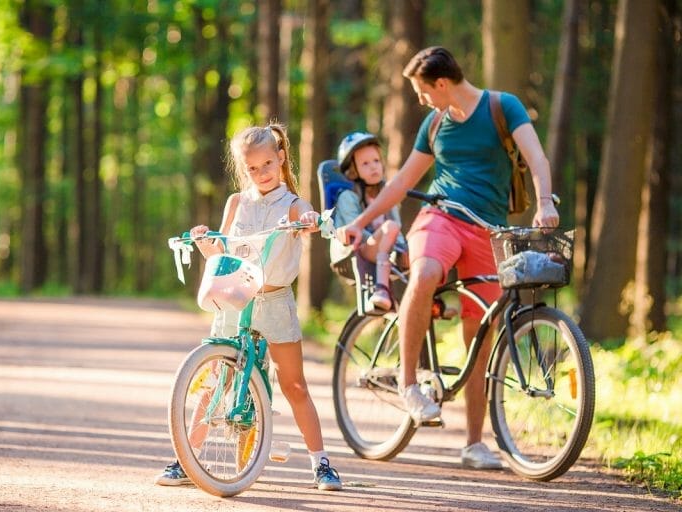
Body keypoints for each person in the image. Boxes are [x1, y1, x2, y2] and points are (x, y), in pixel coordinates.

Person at [336, 46, 560, 469]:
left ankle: (474, 443)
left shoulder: (501, 106)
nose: (421, 100)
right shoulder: (435, 124)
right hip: (440, 219)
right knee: (425, 274)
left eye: (423, 92)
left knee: (481, 333)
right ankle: (409, 387)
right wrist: (363, 220)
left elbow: (536, 157)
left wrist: (545, 202)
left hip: (489, 231)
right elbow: (403, 180)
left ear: (442, 84)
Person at [155, 123, 343, 491]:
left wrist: (310, 222)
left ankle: (321, 463)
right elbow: (222, 249)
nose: (261, 173)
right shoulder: (237, 203)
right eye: (253, 168)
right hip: (235, 295)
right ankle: (187, 459)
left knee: (294, 384)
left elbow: (310, 221)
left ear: (281, 158)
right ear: (244, 169)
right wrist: (206, 243)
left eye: (268, 164)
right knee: (216, 379)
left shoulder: (292, 206)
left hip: (274, 300)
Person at [331, 132, 407, 312]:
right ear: (353, 170)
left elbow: (399, 231)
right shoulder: (348, 197)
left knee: (423, 246)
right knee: (390, 227)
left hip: (385, 248)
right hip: (360, 248)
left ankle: (431, 301)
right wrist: (384, 238)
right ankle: (382, 288)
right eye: (365, 164)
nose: (373, 167)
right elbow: (354, 232)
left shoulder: (387, 194)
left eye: (376, 161)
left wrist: (404, 247)